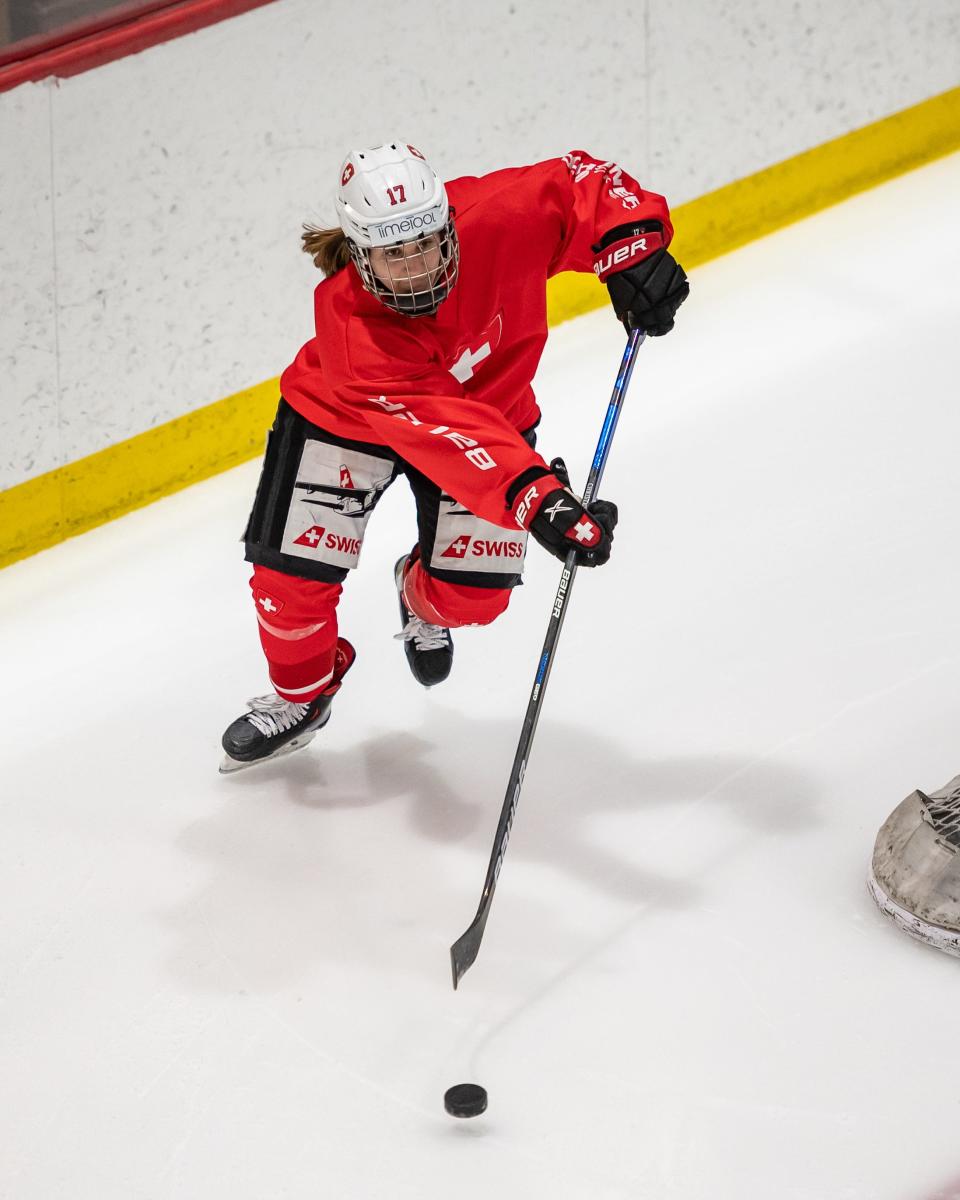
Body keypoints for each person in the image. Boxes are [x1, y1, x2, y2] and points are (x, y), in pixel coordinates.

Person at [220, 141, 689, 772]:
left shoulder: (495, 217)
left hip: (487, 417)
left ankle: (416, 595)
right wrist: (540, 498)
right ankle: (301, 697)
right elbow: (443, 429)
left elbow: (582, 181)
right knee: (291, 582)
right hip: (345, 420)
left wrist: (632, 246)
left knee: (476, 598)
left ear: (446, 223)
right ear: (359, 257)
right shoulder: (351, 328)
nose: (415, 267)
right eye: (393, 253)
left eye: (425, 242)